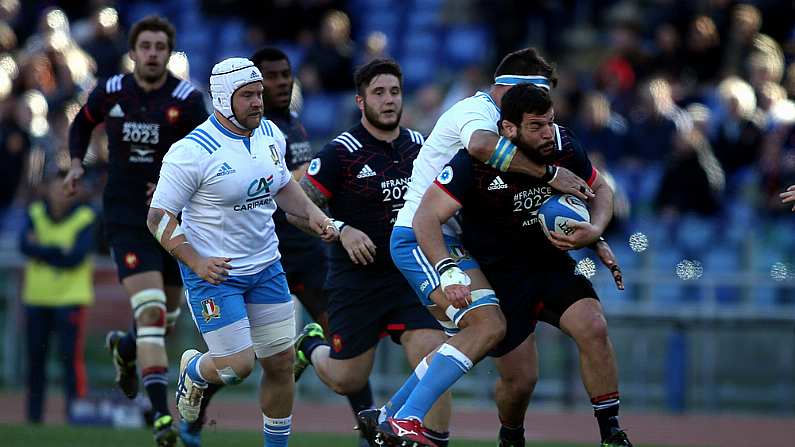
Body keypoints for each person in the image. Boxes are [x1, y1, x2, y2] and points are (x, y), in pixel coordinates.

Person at [373, 48, 619, 447]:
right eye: (534, 101)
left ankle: (390, 415)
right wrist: (550, 173)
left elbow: (589, 187)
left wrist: (595, 234)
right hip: (419, 234)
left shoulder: (537, 133)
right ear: (510, 89)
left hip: (453, 236)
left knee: (479, 332)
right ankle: (408, 419)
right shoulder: (478, 113)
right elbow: (482, 148)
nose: (542, 117)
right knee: (486, 326)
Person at [148, 57, 337, 447]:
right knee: (237, 367)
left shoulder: (271, 133)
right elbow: (158, 218)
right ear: (222, 99)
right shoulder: (192, 151)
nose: (257, 102)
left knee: (281, 364)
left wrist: (316, 217)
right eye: (247, 95)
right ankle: (196, 372)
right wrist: (197, 261)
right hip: (215, 274)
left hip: (267, 266)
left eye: (259, 94)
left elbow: (283, 185)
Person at [288, 58, 452, 447]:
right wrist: (340, 229)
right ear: (361, 102)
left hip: (410, 276)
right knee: (348, 379)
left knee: (437, 360)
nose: (389, 100)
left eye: (394, 91)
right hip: (356, 281)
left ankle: (437, 442)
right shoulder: (339, 153)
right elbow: (296, 207)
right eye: (379, 93)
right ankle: (310, 345)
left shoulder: (421, 146)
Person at [64, 15, 208, 446]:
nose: (151, 53)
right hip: (126, 217)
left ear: (169, 52)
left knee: (164, 320)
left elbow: (207, 153)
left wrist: (174, 184)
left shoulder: (186, 99)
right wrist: (75, 163)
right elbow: (81, 122)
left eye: (159, 46)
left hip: (172, 218)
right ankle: (161, 418)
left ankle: (126, 350)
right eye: (144, 46)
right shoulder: (111, 91)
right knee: (151, 311)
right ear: (133, 51)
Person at [20, 171, 96, 424]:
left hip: (70, 299)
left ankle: (75, 415)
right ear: (47, 190)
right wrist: (56, 250)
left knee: (70, 361)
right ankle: (33, 418)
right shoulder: (35, 213)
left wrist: (41, 250)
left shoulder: (86, 217)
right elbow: (24, 246)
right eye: (56, 189)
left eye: (65, 190)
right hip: (37, 299)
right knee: (35, 361)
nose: (60, 195)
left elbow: (76, 256)